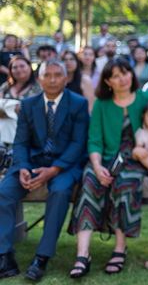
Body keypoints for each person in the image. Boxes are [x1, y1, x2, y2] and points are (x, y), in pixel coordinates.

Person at [67, 57, 148, 278]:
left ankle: (119, 247)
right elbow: (95, 140)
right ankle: (82, 254)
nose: (123, 78)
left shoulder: (145, 97)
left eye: (125, 72)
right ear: (108, 81)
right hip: (105, 158)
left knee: (125, 183)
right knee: (89, 183)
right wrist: (97, 166)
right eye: (116, 75)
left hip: (136, 159)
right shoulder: (101, 104)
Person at [0, 59, 88, 281]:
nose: (52, 79)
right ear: (39, 79)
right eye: (47, 75)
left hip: (64, 165)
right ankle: (4, 255)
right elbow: (20, 143)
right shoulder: (29, 105)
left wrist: (55, 169)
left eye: (57, 75)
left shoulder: (78, 103)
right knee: (5, 192)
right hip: (31, 162)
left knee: (59, 192)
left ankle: (42, 256)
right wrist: (22, 168)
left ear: (66, 78)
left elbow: (79, 143)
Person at [0, 56, 42, 146]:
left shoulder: (38, 87)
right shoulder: (6, 86)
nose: (19, 69)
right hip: (5, 137)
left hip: (28, 137)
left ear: (29, 67)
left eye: (22, 66)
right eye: (14, 67)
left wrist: (6, 108)